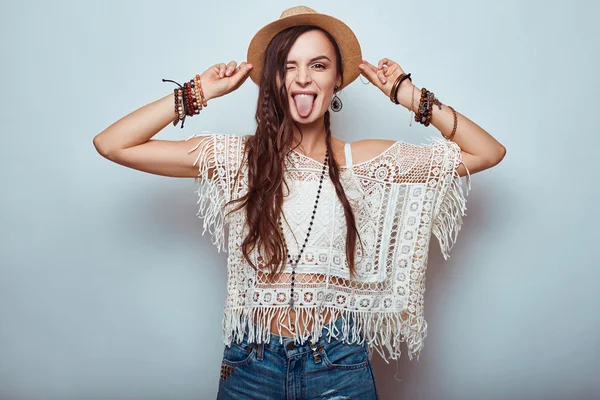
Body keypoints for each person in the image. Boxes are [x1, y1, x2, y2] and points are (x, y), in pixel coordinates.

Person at [93, 5, 505, 400]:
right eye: (288, 66)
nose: (303, 78)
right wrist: (200, 91)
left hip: (339, 363)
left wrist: (406, 93)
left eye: (318, 65)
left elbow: (486, 153)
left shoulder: (363, 162)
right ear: (273, 80)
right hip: (250, 363)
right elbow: (112, 144)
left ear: (337, 79)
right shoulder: (239, 159)